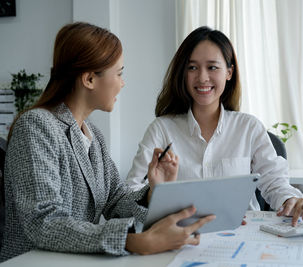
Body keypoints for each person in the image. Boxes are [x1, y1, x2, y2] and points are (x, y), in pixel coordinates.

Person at [0, 22, 215, 262]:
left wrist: (153, 191)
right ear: (90, 79)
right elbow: (43, 222)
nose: (122, 83)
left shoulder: (93, 135)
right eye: (119, 73)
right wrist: (133, 241)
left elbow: (115, 200)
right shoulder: (36, 127)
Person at [126, 26, 303, 225]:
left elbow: (274, 181)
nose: (202, 77)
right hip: (181, 238)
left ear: (229, 72)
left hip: (242, 236)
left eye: (212, 67)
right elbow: (130, 191)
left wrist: (289, 200)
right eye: (192, 67)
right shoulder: (162, 129)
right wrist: (155, 193)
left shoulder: (248, 128)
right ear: (182, 73)